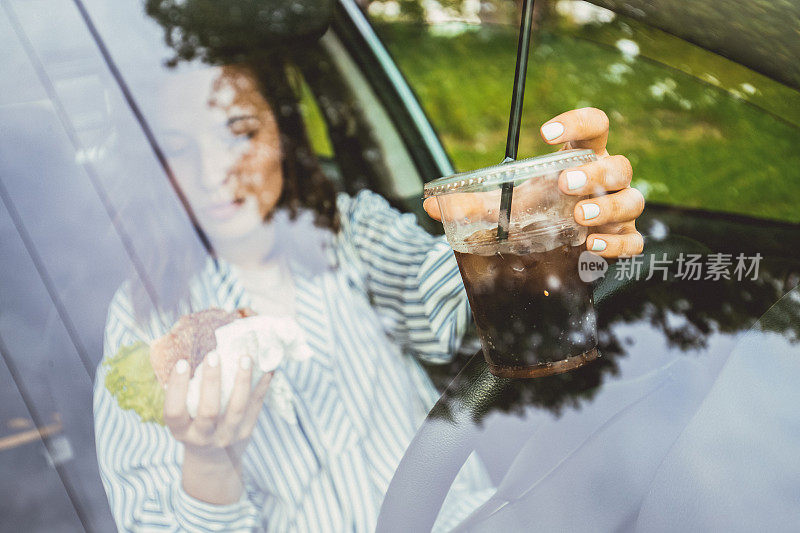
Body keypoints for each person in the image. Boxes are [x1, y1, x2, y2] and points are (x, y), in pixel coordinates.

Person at [93, 60, 644, 532]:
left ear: (281, 133)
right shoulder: (143, 320)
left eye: (239, 131)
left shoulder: (351, 234)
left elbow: (455, 290)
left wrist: (546, 230)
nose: (214, 173)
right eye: (176, 149)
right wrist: (210, 464)